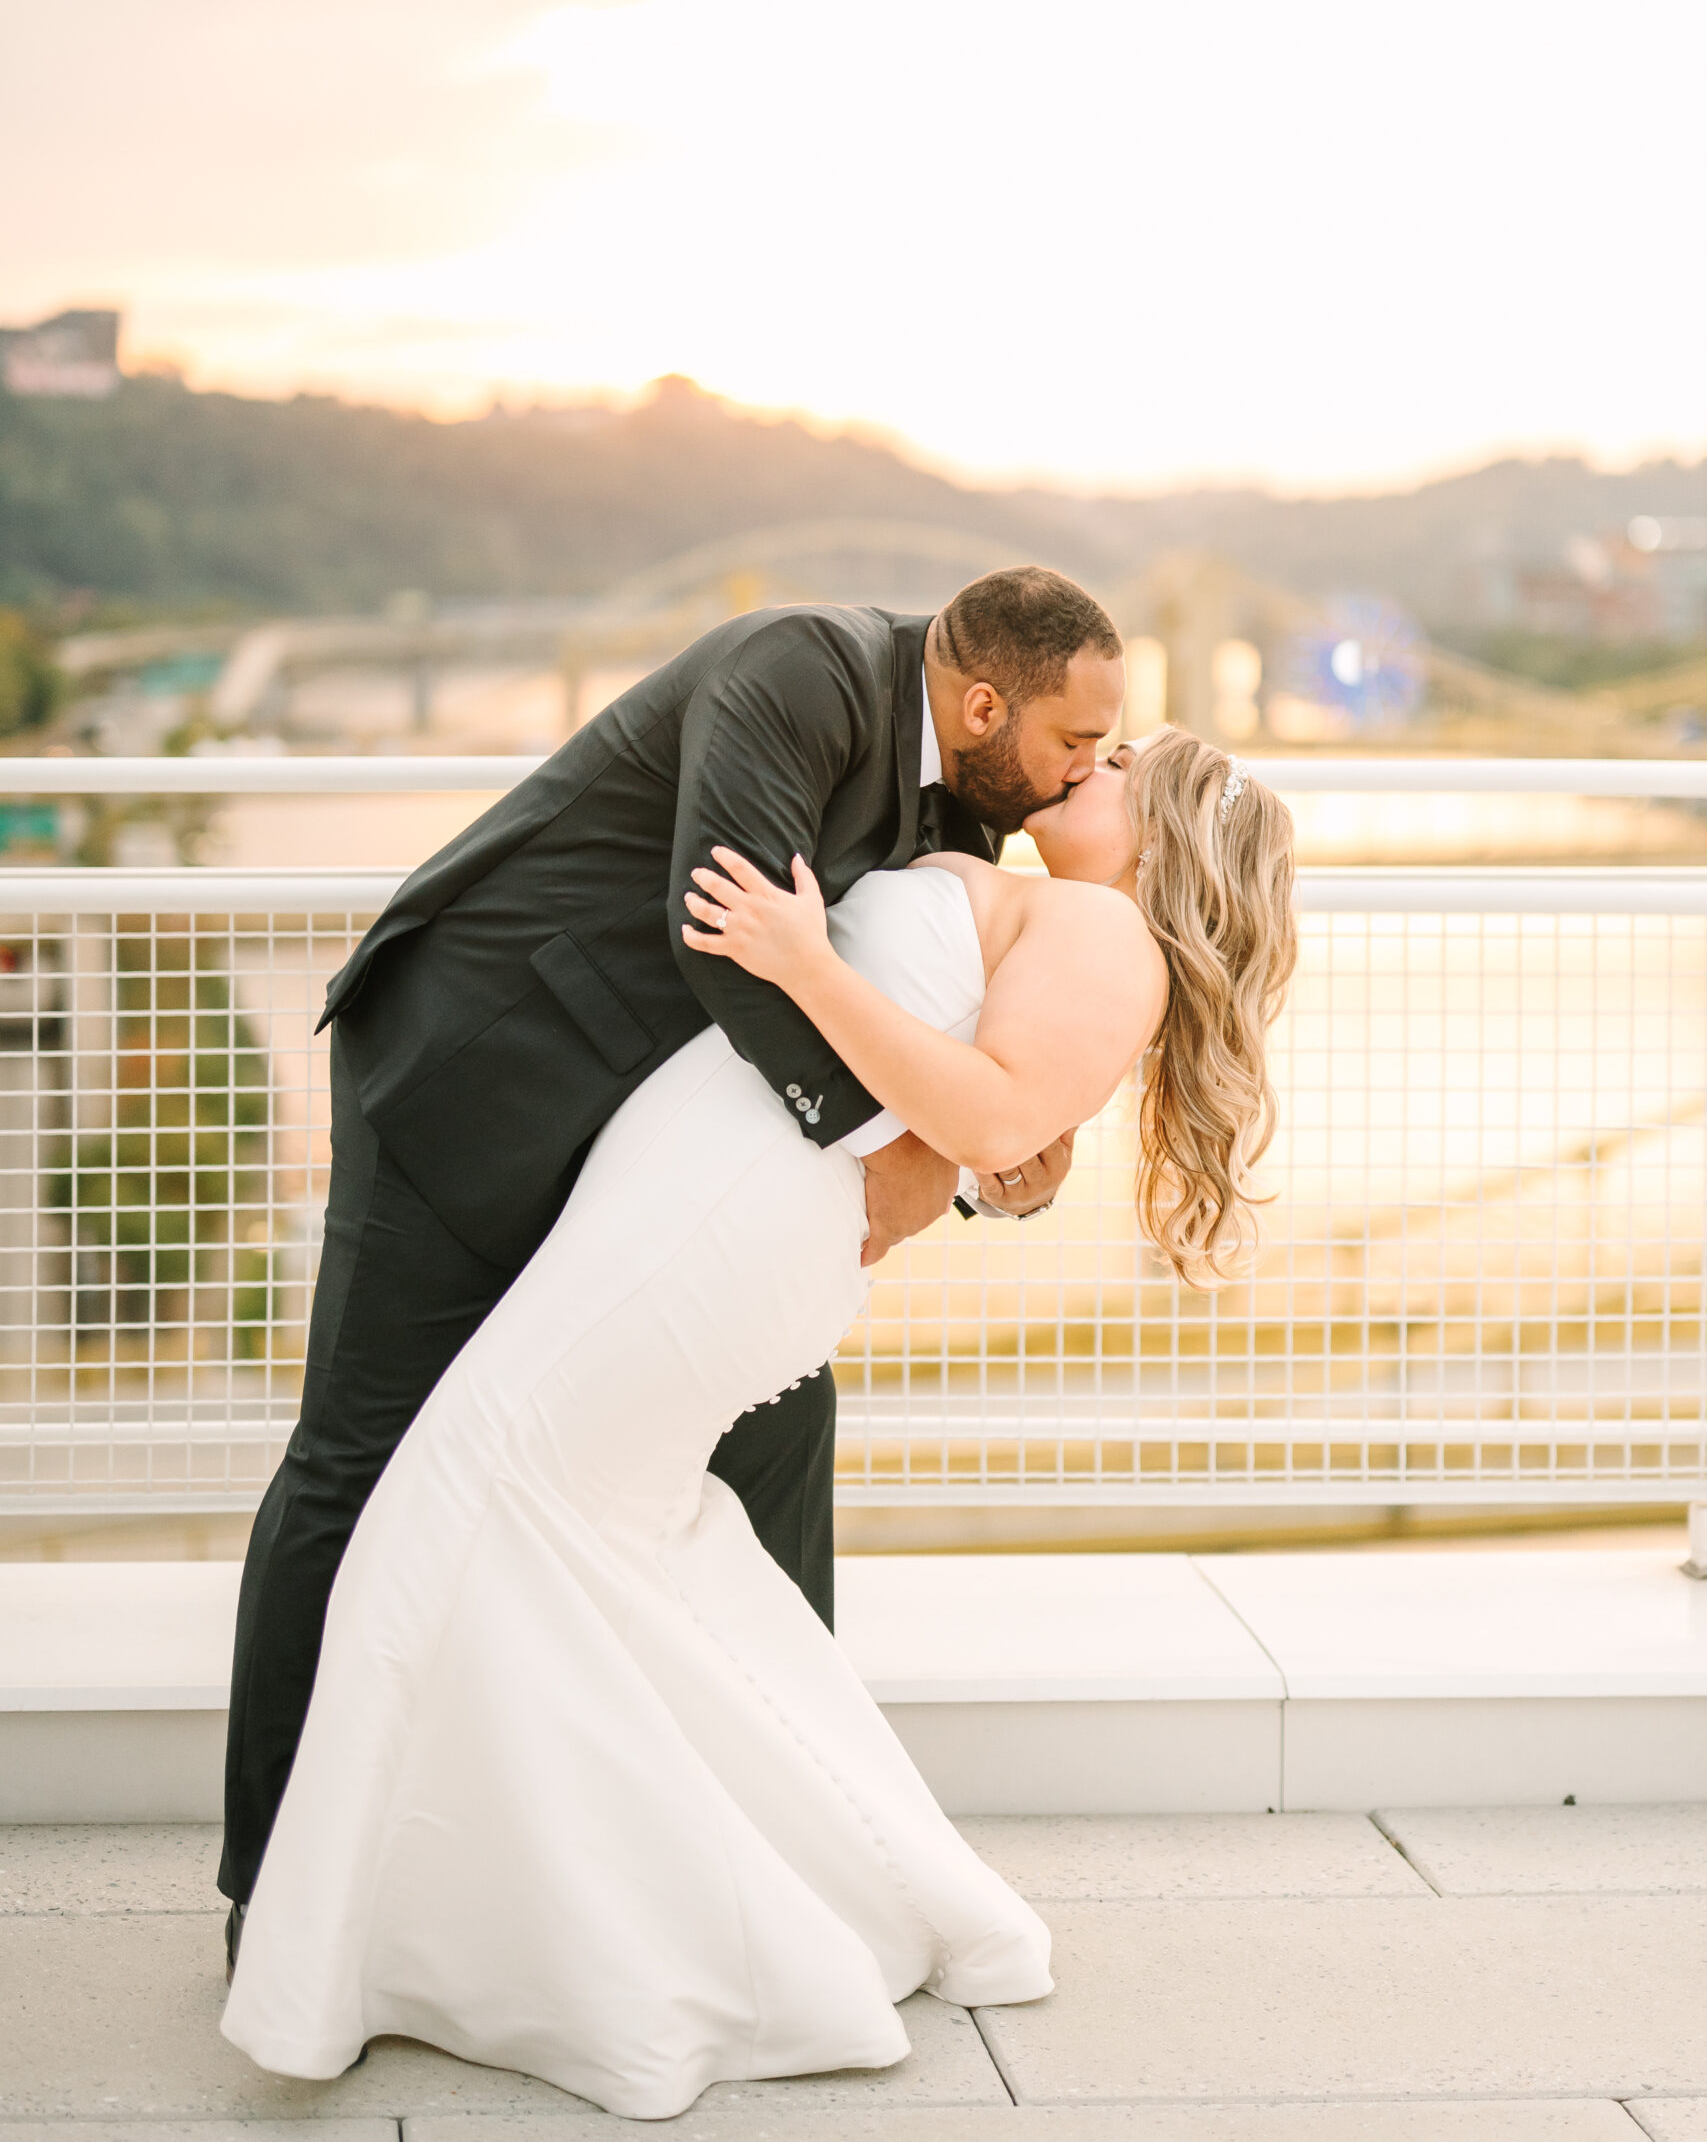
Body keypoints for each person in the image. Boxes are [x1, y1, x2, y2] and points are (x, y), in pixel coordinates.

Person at [220, 723, 1296, 2119]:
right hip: (696, 1201)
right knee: (590, 1537)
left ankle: (597, 1945)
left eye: (1129, 762)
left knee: (476, 1493)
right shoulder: (1026, 883)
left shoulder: (1107, 934)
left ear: (1166, 832)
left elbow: (992, 1112)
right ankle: (739, 1886)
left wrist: (802, 961)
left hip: (723, 1228)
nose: (1107, 750)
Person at [219, 567, 1128, 1957]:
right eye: (1075, 740)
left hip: (654, 1153)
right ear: (987, 701)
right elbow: (728, 943)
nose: (1088, 769)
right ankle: (273, 1886)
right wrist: (903, 1136)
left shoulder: (971, 804)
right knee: (361, 1456)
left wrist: (997, 1155)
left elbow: (920, 1023)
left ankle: (792, 1846)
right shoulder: (802, 670)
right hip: (480, 1067)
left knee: (779, 1420)